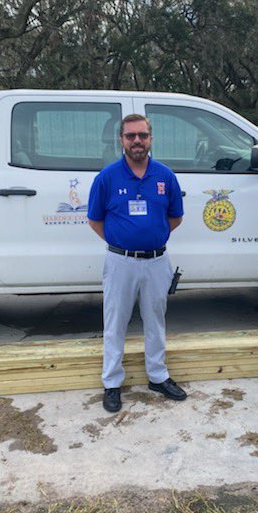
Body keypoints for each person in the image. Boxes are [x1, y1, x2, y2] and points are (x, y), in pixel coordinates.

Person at [87, 114, 186, 413]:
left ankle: (157, 376)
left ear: (150, 138)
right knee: (115, 322)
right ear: (121, 140)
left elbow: (175, 217)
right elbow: (95, 220)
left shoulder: (165, 176)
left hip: (157, 261)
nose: (137, 141)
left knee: (156, 321)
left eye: (142, 135)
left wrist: (150, 238)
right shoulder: (107, 177)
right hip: (120, 262)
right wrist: (124, 243)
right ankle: (113, 383)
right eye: (130, 136)